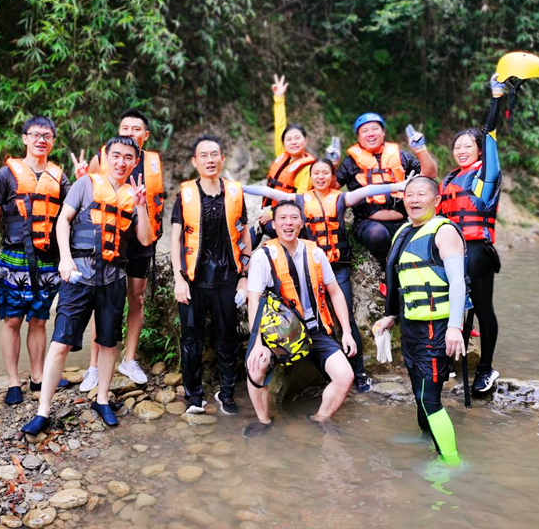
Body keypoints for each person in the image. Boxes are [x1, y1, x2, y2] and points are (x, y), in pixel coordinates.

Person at [244, 160, 414, 392]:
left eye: (326, 173)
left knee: (346, 318)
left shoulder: (341, 198)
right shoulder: (301, 200)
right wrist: (238, 188)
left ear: (333, 177)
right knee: (302, 315)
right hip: (307, 268)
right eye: (316, 173)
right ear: (310, 177)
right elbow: (268, 191)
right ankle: (316, 368)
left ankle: (359, 372)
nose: (321, 177)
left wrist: (401, 185)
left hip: (336, 266)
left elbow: (368, 190)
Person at [21, 136, 152, 434]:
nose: (121, 162)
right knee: (61, 342)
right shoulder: (86, 184)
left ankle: (103, 399)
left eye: (128, 158)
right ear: (105, 156)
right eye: (116, 155)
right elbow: (63, 221)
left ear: (135, 161)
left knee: (108, 341)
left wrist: (142, 206)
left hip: (113, 278)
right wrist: (64, 260)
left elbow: (144, 239)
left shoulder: (134, 195)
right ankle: (43, 411)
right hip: (78, 275)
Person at [0, 116, 72, 405]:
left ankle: (38, 377)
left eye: (47, 136)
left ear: (53, 141)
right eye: (35, 135)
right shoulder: (7, 174)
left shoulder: (60, 177)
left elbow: (71, 215)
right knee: (12, 320)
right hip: (13, 256)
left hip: (47, 259)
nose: (41, 140)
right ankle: (13, 382)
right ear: (25, 138)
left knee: (40, 321)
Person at [373, 175, 467, 465]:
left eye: (421, 194)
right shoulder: (403, 230)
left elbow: (458, 283)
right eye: (409, 194)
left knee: (430, 398)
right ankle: (426, 437)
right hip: (412, 327)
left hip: (436, 328)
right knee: (418, 390)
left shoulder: (444, 231)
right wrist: (390, 317)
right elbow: (402, 282)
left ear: (436, 200)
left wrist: (454, 327)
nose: (413, 199)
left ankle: (451, 462)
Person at [244, 201, 358, 437]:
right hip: (277, 332)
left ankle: (320, 417)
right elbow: (253, 300)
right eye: (282, 218)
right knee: (255, 368)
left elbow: (335, 292)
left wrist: (346, 331)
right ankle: (263, 421)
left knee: (345, 376)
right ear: (273, 224)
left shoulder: (315, 252)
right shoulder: (263, 256)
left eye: (294, 218)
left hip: (314, 330)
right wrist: (256, 344)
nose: (288, 223)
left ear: (301, 222)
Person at [79, 110, 165, 390]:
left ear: (145, 135)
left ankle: (128, 359)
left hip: (140, 237)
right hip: (108, 238)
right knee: (100, 298)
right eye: (125, 127)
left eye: (136, 128)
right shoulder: (103, 156)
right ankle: (93, 366)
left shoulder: (152, 162)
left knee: (136, 298)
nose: (130, 132)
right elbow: (86, 192)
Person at [171, 136, 252, 415]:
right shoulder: (185, 194)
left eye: (214, 154)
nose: (209, 160)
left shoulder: (234, 193)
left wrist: (244, 274)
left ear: (222, 159)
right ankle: (194, 396)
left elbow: (243, 235)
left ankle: (226, 392)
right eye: (203, 155)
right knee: (191, 340)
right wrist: (178, 279)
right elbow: (175, 238)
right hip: (193, 278)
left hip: (227, 277)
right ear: (195, 161)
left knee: (226, 337)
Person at [335, 112, 438, 274]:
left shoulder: (401, 156)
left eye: (375, 129)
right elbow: (331, 187)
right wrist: (333, 164)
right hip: (368, 223)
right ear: (358, 137)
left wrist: (420, 149)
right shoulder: (350, 162)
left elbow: (430, 174)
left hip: (402, 220)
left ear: (383, 132)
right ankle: (388, 269)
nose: (370, 133)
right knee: (377, 234)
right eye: (365, 130)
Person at [254, 75, 315, 246]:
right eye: (289, 139)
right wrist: (279, 98)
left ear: (306, 141)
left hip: (292, 216)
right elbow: (280, 126)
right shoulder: (282, 154)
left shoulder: (308, 168)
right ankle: (240, 265)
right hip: (275, 209)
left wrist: (273, 215)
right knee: (254, 228)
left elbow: (300, 198)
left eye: (297, 138)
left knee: (265, 225)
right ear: (283, 143)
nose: (293, 142)